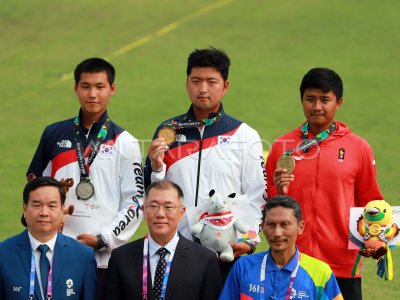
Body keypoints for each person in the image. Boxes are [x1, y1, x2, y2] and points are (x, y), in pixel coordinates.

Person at [144, 47, 267, 278]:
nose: (203, 89)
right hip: (176, 250)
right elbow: (152, 191)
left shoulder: (243, 135)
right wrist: (157, 167)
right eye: (196, 81)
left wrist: (250, 241)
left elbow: (258, 194)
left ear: (225, 86)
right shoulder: (168, 131)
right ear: (187, 83)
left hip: (227, 253)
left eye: (211, 82)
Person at [265, 67, 383, 299]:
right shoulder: (282, 146)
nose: (317, 106)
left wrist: (375, 238)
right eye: (310, 99)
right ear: (302, 100)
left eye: (324, 100)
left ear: (338, 102)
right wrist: (279, 190)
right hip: (292, 261)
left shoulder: (358, 148)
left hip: (341, 265)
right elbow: (267, 205)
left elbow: (372, 201)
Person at [26, 57, 144, 287]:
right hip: (55, 252)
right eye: (86, 86)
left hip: (103, 260)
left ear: (112, 89)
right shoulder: (53, 134)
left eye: (100, 87)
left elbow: (136, 201)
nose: (92, 94)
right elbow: (34, 190)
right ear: (75, 88)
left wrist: (103, 239)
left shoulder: (125, 143)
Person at [102, 180, 222, 300]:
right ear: (144, 210)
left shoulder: (205, 260)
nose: (160, 214)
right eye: (153, 206)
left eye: (168, 207)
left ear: (181, 212)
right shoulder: (121, 257)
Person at [219, 195, 343, 300]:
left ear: (301, 227)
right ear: (262, 227)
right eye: (271, 224)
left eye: (285, 224)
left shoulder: (320, 271)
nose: (277, 233)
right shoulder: (243, 266)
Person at [0, 177, 97, 300]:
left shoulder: (83, 256)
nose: (44, 212)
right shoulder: (3, 254)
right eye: (36, 205)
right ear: (24, 208)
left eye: (52, 206)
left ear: (62, 209)